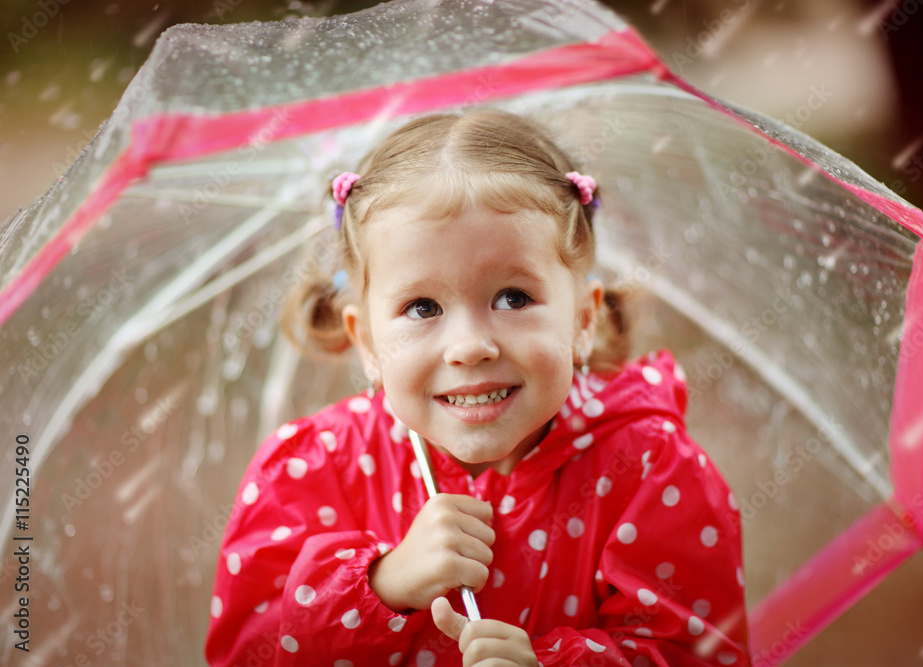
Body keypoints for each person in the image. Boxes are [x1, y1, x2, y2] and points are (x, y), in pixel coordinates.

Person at [205, 109, 748, 666]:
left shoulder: (650, 471)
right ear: (366, 341)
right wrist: (381, 585)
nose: (469, 346)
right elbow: (248, 654)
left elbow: (697, 652)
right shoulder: (314, 470)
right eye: (422, 307)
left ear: (582, 320)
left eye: (513, 297)